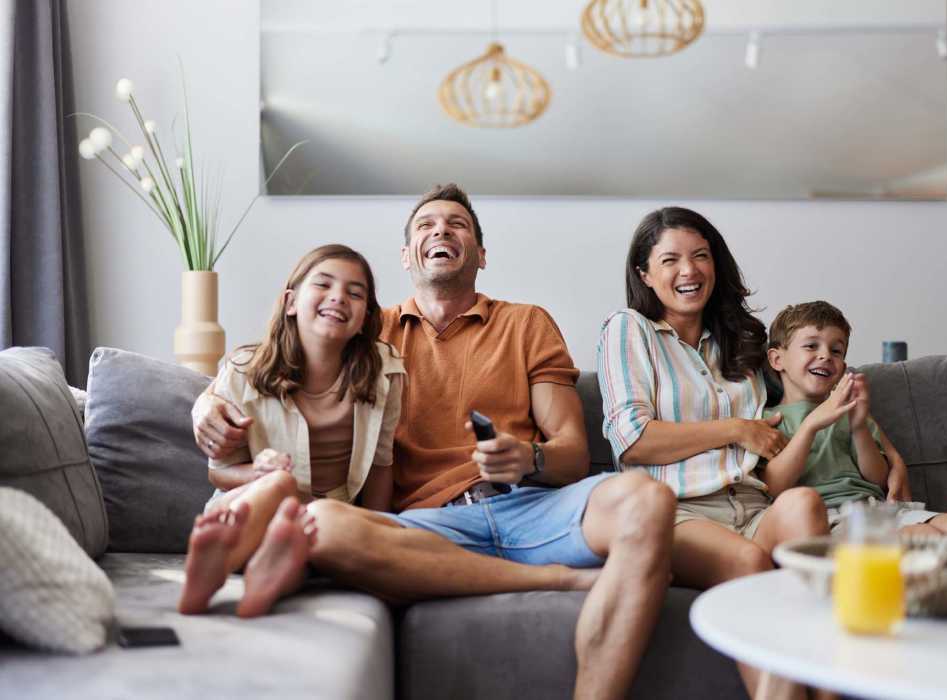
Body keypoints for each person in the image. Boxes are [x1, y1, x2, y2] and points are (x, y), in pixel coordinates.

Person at [193, 184, 677, 700]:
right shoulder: (367, 332)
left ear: (481, 254)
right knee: (322, 525)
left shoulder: (526, 323)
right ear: (406, 256)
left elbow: (573, 456)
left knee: (648, 499)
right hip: (427, 524)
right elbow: (279, 363)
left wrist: (528, 457)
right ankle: (552, 577)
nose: (441, 230)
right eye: (425, 225)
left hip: (533, 508)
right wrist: (204, 405)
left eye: (457, 224)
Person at [596, 206, 833, 699]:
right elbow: (633, 440)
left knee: (805, 505)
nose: (689, 270)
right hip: (678, 512)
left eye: (700, 256)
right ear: (645, 274)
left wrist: (888, 450)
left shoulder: (741, 342)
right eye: (671, 260)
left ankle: (831, 688)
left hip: (752, 503)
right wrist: (735, 429)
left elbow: (807, 391)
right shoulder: (629, 329)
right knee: (747, 561)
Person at [178, 244, 406, 618]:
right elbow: (218, 472)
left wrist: (377, 529)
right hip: (250, 506)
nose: (338, 297)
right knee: (280, 486)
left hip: (325, 514)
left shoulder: (385, 373)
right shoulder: (244, 370)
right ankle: (219, 562)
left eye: (355, 293)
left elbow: (382, 464)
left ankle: (274, 573)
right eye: (323, 284)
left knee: (308, 532)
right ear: (290, 302)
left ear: (365, 317)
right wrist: (261, 473)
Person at [762, 300, 947, 537]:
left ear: (843, 367)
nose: (825, 356)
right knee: (922, 534)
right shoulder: (768, 421)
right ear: (777, 359)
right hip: (828, 517)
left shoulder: (852, 410)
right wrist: (810, 427)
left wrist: (859, 427)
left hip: (876, 508)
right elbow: (773, 486)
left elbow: (878, 479)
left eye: (836, 350)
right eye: (811, 346)